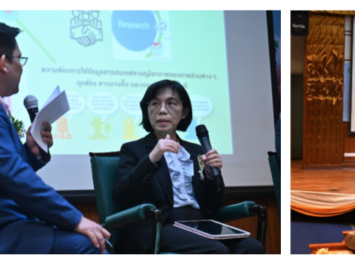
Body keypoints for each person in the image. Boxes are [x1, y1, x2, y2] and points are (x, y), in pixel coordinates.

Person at [0, 18, 108, 254]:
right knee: (90, 245)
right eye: (19, 59)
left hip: (4, 225)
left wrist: (30, 152)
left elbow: (0, 172)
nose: (22, 66)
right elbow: (14, 177)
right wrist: (76, 219)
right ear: (3, 63)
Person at [112, 80, 264, 254]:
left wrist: (210, 175)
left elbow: (214, 204)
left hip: (199, 224)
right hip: (158, 226)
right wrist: (152, 158)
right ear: (147, 110)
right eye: (155, 103)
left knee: (253, 248)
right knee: (216, 251)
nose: (162, 110)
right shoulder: (133, 150)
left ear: (184, 112)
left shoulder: (196, 151)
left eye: (171, 103)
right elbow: (121, 196)